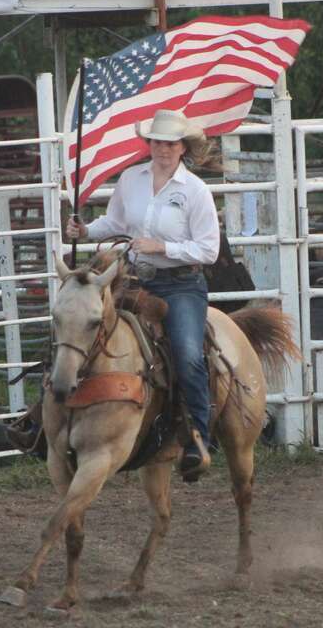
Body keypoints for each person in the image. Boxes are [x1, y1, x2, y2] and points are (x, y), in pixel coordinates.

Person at [65, 110, 220, 481]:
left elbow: (208, 250)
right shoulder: (131, 179)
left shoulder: (195, 191)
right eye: (156, 142)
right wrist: (85, 230)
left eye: (170, 143)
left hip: (181, 284)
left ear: (183, 147)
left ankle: (199, 437)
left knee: (187, 353)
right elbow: (115, 224)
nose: (163, 149)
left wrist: (163, 247)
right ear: (148, 144)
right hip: (135, 278)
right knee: (84, 328)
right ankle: (65, 423)